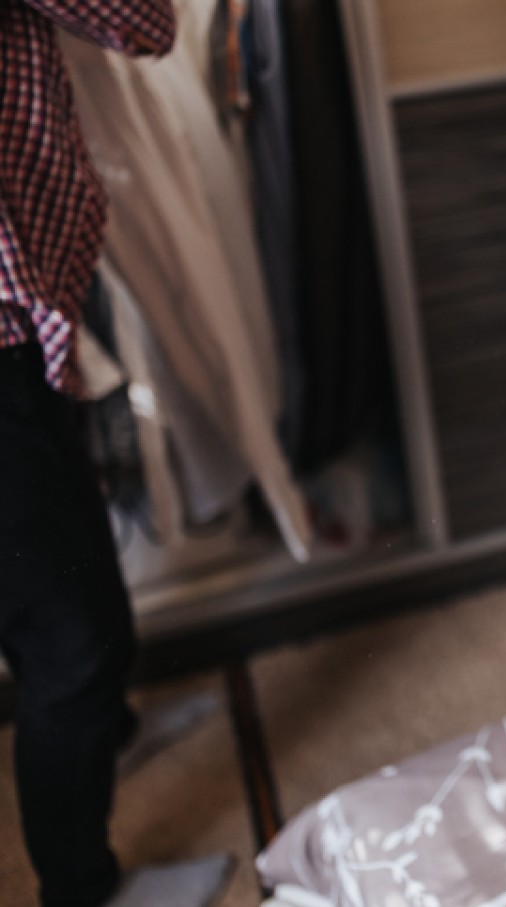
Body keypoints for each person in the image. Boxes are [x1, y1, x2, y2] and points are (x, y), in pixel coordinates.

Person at [0, 1, 192, 905]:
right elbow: (144, 19)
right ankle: (83, 892)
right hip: (4, 337)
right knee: (65, 643)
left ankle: (108, 734)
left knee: (73, 563)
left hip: (22, 328)